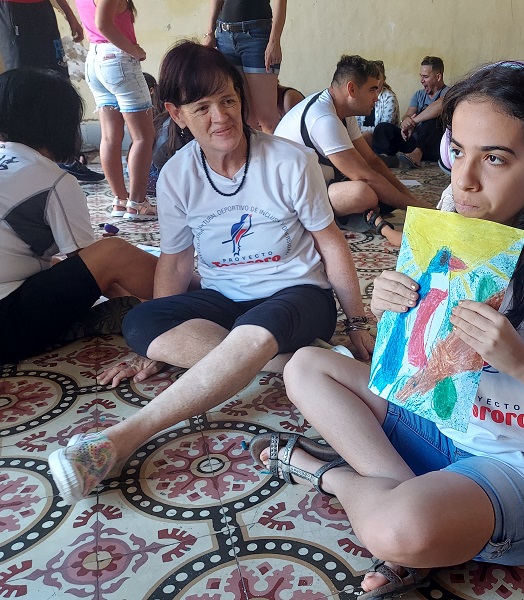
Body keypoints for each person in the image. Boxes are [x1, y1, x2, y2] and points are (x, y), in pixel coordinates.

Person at [253, 60, 524, 599]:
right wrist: (390, 304)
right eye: (458, 150)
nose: (464, 179)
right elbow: (416, 364)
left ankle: (332, 477)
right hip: (437, 425)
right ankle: (408, 496)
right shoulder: (449, 226)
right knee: (305, 366)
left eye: (495, 158)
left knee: (400, 530)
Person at [47, 40, 374, 504]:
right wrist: (151, 350)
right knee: (142, 323)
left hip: (299, 296)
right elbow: (176, 261)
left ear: (241, 101)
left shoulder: (290, 162)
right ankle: (293, 363)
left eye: (228, 101)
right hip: (227, 299)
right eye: (202, 107)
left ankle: (120, 440)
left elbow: (331, 243)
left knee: (255, 330)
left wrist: (356, 321)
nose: (221, 117)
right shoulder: (177, 175)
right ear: (176, 114)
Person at [0, 68, 157, 364]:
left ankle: (138, 305)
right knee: (112, 252)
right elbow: (93, 261)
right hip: (7, 324)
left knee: (57, 263)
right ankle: (197, 295)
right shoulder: (51, 178)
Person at [275, 55, 429, 246]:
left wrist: (412, 201)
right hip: (288, 200)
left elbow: (372, 161)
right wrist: (418, 209)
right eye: (372, 89)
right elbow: (364, 176)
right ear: (352, 89)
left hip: (319, 184)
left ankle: (365, 214)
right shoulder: (324, 119)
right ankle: (365, 217)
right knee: (363, 192)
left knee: (381, 191)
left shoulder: (342, 112)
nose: (377, 97)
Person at [0, 0, 105, 183]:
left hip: (43, 9)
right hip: (12, 10)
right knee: (22, 86)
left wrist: (70, 16)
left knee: (58, 80)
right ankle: (24, 159)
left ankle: (68, 158)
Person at [75, 0, 156, 220]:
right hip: (117, 59)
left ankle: (120, 200)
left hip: (94, 58)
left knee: (110, 137)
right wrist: (135, 50)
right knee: (143, 137)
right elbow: (103, 24)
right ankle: (137, 204)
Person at [204, 0, 286, 134]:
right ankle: (256, 155)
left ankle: (278, 155)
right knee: (247, 118)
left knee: (267, 121)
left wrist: (274, 41)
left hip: (257, 36)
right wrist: (210, 32)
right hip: (224, 36)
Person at [371, 56, 448, 169]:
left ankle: (417, 155)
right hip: (413, 141)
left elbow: (438, 107)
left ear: (438, 76)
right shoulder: (418, 95)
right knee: (383, 128)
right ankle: (384, 158)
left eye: (425, 77)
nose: (421, 80)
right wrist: (405, 123)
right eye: (421, 76)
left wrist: (413, 121)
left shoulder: (449, 93)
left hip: (433, 145)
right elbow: (408, 114)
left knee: (435, 120)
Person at [356, 60, 399, 147]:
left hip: (385, 140)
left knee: (364, 138)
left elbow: (383, 129)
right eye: (372, 78)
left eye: (378, 78)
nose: (375, 82)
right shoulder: (362, 95)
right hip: (361, 136)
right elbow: (355, 123)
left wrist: (361, 129)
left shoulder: (389, 97)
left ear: (384, 79)